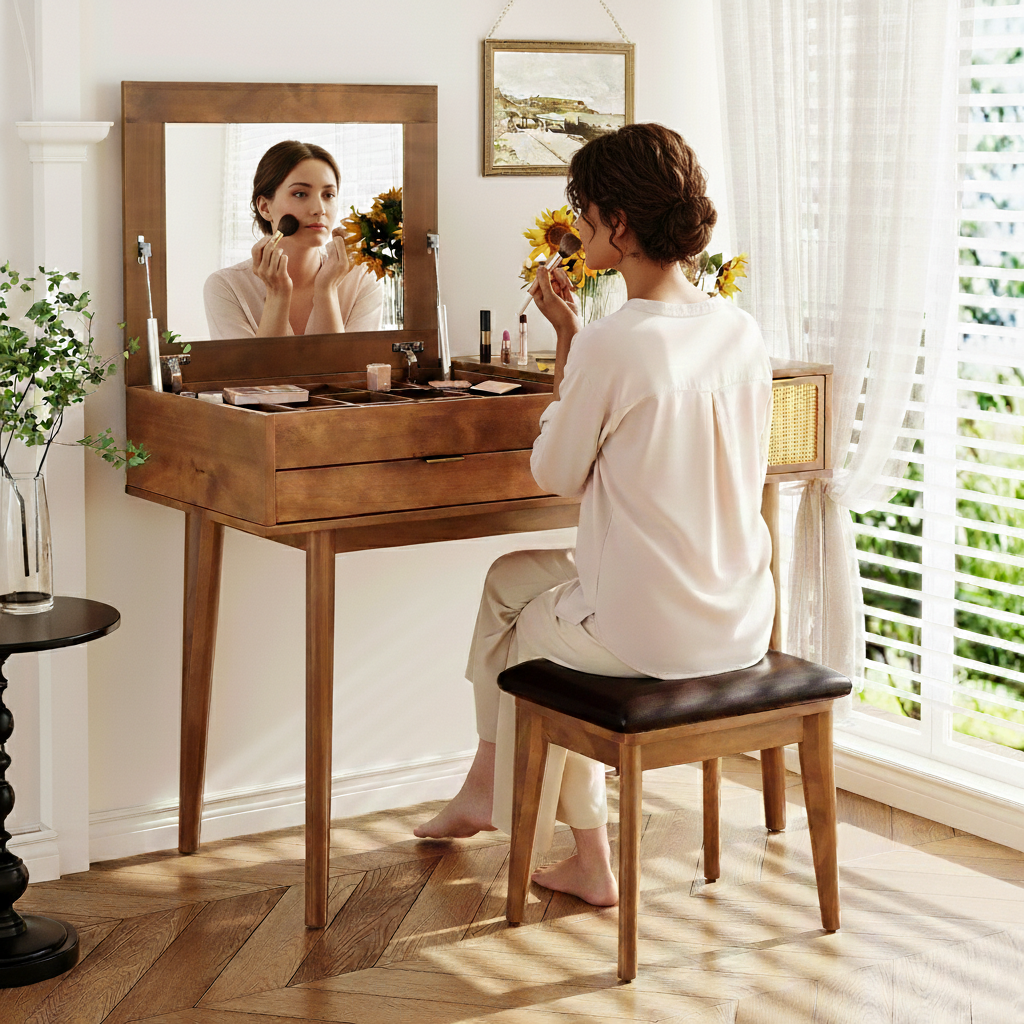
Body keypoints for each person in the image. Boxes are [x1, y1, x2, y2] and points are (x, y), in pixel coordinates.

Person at [414, 123, 776, 907]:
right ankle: (484, 781)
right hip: (739, 614)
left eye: (583, 210)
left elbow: (556, 474)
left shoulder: (618, 343)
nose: (576, 228)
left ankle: (572, 844)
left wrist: (575, 352)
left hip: (653, 629)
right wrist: (575, 337)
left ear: (620, 222)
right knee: (509, 580)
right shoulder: (739, 330)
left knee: (531, 649)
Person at [203, 140, 383, 339]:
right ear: (265, 207)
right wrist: (276, 293)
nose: (319, 209)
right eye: (300, 194)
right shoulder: (226, 288)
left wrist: (327, 289)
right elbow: (256, 371)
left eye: (328, 195)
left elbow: (351, 369)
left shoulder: (362, 281)